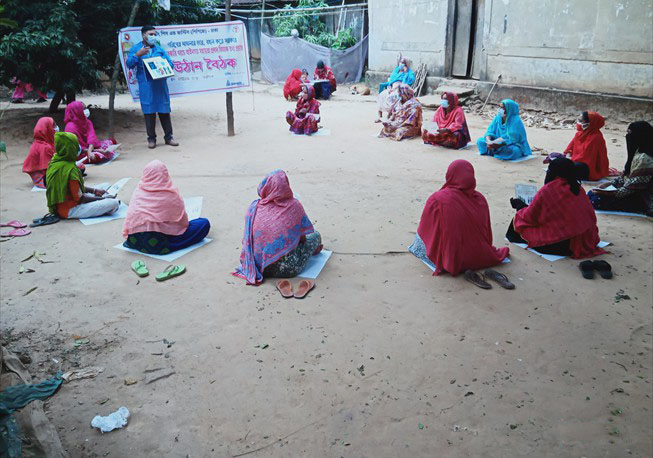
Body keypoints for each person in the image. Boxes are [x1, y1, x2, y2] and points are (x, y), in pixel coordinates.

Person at [410, 160, 509, 276]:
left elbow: (426, 230)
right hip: (481, 255)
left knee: (419, 246)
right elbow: (487, 235)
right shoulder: (480, 199)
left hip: (452, 260)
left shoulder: (437, 199)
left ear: (449, 175)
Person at [233, 170, 321, 285]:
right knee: (315, 235)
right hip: (288, 268)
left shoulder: (254, 207)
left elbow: (248, 240)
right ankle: (312, 251)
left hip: (256, 265)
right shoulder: (294, 205)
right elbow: (303, 239)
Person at [506, 158, 606, 258]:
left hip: (563, 244)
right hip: (587, 238)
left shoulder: (549, 190)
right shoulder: (577, 187)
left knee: (517, 221)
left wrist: (520, 206)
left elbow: (530, 217)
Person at [123, 160, 211, 254]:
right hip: (160, 244)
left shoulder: (138, 191)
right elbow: (183, 224)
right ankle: (166, 245)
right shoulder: (170, 194)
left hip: (134, 241)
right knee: (203, 224)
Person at [126, 25, 179, 149]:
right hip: (146, 87)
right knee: (149, 112)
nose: (153, 36)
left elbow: (170, 64)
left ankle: (169, 137)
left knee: (164, 111)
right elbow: (129, 64)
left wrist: (162, 64)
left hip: (160, 86)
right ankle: (151, 139)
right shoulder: (136, 49)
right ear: (143, 35)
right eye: (151, 34)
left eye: (155, 34)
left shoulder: (159, 49)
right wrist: (138, 55)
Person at [46, 133, 120, 220]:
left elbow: (75, 189)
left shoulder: (55, 161)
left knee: (106, 186)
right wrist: (101, 199)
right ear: (70, 148)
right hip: (71, 209)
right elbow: (80, 198)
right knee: (113, 203)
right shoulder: (70, 170)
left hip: (64, 203)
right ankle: (107, 206)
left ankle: (103, 201)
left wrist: (95, 191)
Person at [588, 121, 653, 216]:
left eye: (630, 133)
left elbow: (633, 186)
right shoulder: (638, 150)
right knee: (592, 194)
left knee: (596, 200)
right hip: (629, 190)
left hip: (643, 198)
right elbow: (626, 175)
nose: (628, 136)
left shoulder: (645, 158)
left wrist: (610, 193)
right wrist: (610, 183)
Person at [564, 111, 609, 181]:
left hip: (588, 167)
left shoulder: (595, 137)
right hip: (577, 160)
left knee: (569, 168)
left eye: (581, 121)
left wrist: (570, 161)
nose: (578, 122)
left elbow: (585, 158)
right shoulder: (579, 134)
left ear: (590, 123)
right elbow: (570, 148)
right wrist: (567, 155)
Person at [23, 117, 57, 188]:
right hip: (41, 176)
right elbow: (48, 168)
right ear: (48, 129)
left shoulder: (38, 142)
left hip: (39, 173)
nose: (56, 128)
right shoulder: (45, 147)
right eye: (53, 126)